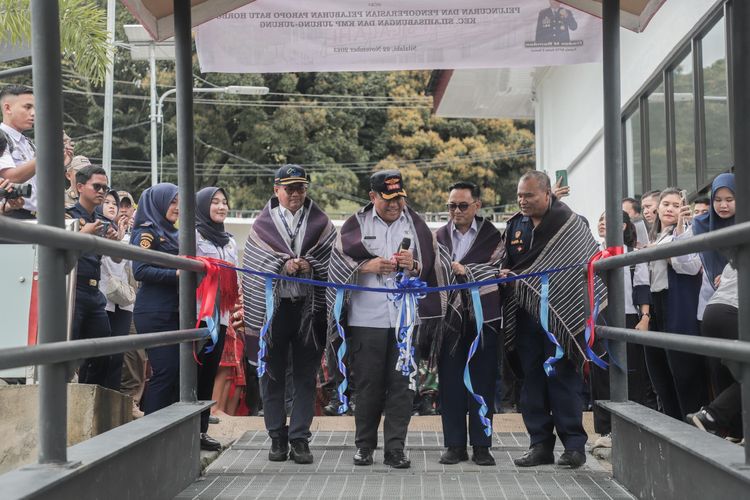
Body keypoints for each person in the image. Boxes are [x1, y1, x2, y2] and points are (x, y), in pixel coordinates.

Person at [327, 170, 449, 469]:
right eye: (388, 199)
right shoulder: (355, 225)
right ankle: (364, 447)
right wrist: (365, 266)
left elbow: (436, 264)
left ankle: (396, 449)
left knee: (403, 386)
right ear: (373, 197)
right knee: (368, 385)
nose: (395, 205)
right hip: (366, 318)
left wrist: (415, 264)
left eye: (399, 198)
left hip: (406, 321)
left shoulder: (417, 224)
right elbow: (337, 264)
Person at [500, 171, 603, 469]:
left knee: (563, 379)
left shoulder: (572, 223)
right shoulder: (514, 225)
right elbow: (506, 262)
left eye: (529, 195)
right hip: (524, 315)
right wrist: (505, 273)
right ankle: (539, 445)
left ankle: (573, 446)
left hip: (563, 317)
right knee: (531, 382)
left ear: (548, 194)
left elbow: (584, 267)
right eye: (520, 195)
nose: (523, 200)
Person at [241, 165, 335, 464]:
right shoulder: (261, 225)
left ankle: (299, 439)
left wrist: (310, 265)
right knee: (272, 374)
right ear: (276, 189)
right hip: (274, 312)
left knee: (307, 376)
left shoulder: (322, 223)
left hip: (308, 309)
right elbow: (254, 265)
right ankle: (276, 437)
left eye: (301, 188)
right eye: (289, 187)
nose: (295, 193)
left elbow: (332, 259)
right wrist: (281, 265)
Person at [435, 182, 504, 466]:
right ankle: (454, 445)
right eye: (452, 205)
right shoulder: (437, 236)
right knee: (449, 383)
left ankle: (481, 445)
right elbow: (431, 270)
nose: (457, 211)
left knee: (483, 380)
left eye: (463, 205)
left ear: (477, 206)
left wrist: (468, 271)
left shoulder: (493, 236)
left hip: (484, 318)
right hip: (447, 319)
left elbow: (500, 271)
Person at [589, 211, 654, 449]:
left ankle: (630, 427)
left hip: (628, 317)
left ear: (624, 225)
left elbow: (642, 286)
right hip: (599, 318)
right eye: (601, 219)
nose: (603, 223)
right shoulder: (594, 253)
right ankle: (605, 429)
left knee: (631, 372)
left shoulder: (633, 255)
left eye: (610, 220)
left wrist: (645, 316)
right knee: (601, 372)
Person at [645, 188, 708, 420]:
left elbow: (690, 267)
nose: (670, 208)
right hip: (656, 306)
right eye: (666, 204)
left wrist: (668, 246)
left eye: (675, 204)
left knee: (683, 370)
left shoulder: (689, 232)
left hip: (679, 305)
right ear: (657, 208)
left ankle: (691, 423)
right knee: (660, 371)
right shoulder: (655, 237)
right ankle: (672, 422)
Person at [194, 186, 239, 452]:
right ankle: (186, 430)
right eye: (215, 203)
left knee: (209, 373)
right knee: (193, 372)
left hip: (221, 317)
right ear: (202, 206)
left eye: (224, 202)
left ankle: (201, 431)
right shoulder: (194, 235)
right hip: (198, 316)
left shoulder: (230, 241)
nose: (221, 207)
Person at [65, 165, 119, 386]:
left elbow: (116, 260)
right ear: (79, 187)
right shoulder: (67, 215)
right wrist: (82, 234)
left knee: (103, 351)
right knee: (67, 353)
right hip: (72, 290)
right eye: (97, 186)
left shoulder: (104, 220)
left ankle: (86, 399)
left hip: (94, 291)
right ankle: (63, 402)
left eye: (105, 188)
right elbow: (55, 251)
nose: (102, 192)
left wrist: (115, 243)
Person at [130, 185, 182, 412]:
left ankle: (170, 429)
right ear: (158, 203)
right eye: (172, 201)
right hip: (154, 311)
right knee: (165, 371)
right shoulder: (146, 232)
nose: (177, 207)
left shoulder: (174, 232)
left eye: (179, 201)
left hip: (174, 310)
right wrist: (177, 274)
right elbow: (140, 270)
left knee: (177, 373)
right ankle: (152, 428)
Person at [97, 189, 136, 392]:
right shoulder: (94, 227)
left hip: (124, 301)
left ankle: (111, 403)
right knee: (98, 355)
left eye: (116, 203)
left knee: (117, 356)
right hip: (101, 299)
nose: (113, 206)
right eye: (108, 202)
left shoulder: (129, 234)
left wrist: (120, 238)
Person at [0, 85, 36, 219]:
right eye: (27, 107)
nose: (33, 113)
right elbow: (11, 177)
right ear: (7, 108)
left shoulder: (28, 143)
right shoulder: (2, 138)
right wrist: (46, 155)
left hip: (35, 216)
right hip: (13, 214)